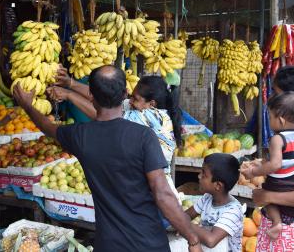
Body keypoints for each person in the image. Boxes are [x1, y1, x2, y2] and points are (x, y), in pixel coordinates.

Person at [13, 65, 201, 252]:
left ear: (92, 96)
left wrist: (28, 105)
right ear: (125, 94)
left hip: (109, 244)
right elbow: (163, 194)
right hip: (148, 242)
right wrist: (192, 238)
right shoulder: (144, 136)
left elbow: (47, 127)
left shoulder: (80, 136)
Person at [48, 66, 181, 175]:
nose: (131, 101)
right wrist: (71, 84)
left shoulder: (155, 117)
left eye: (135, 98)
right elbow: (107, 95)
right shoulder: (138, 108)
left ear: (151, 103)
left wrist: (69, 95)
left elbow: (106, 117)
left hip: (153, 186)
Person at [242, 92, 294, 251]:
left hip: (279, 183)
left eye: (271, 117)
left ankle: (277, 223)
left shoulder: (278, 139)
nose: (270, 121)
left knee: (267, 197)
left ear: (280, 119)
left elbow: (275, 164)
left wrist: (254, 171)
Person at [184, 153, 243, 251]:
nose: (199, 176)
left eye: (204, 174)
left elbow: (211, 240)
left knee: (194, 247)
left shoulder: (233, 210)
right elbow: (186, 215)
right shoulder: (207, 198)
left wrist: (184, 225)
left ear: (218, 186)